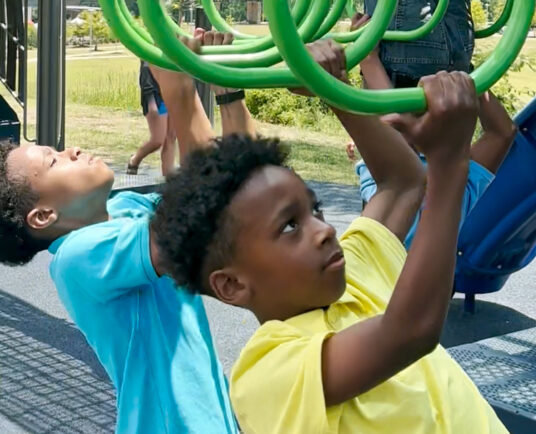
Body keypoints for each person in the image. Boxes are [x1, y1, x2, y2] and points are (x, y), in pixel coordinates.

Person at [151, 40, 508, 433]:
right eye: (290, 226)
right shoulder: (267, 371)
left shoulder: (353, 270)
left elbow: (403, 184)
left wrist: (333, 89)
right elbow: (409, 332)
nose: (324, 229)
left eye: (315, 209)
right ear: (232, 284)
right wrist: (449, 162)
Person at [0, 30, 253, 432]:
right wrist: (180, 91)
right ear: (43, 216)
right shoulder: (75, 258)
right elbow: (196, 215)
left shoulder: (124, 209)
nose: (72, 150)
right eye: (54, 161)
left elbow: (229, 192)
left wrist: (227, 87)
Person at [350, 13, 517, 247]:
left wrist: (466, 84)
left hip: (405, 65)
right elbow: (503, 133)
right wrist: (466, 83)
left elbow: (394, 130)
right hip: (433, 63)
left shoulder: (390, 203)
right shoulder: (453, 198)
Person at [127, 61, 177, 177]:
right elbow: (146, 74)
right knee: (157, 140)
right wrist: (151, 102)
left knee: (171, 137)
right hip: (156, 98)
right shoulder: (148, 57)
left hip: (170, 93)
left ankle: (168, 178)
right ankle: (135, 159)